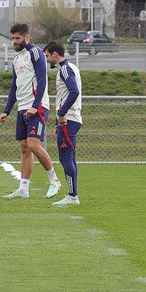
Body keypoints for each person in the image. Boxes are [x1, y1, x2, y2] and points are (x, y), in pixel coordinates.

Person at [0, 23, 61, 199]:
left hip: (37, 107)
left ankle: (54, 181)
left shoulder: (35, 53)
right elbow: (13, 87)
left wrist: (35, 105)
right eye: (12, 38)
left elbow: (42, 80)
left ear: (27, 37)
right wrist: (7, 110)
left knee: (33, 145)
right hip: (22, 108)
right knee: (25, 148)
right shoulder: (16, 59)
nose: (14, 41)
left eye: (17, 38)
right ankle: (23, 189)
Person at [44, 42, 82, 206]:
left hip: (69, 120)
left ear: (54, 54)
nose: (47, 60)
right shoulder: (70, 68)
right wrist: (56, 121)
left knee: (66, 158)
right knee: (70, 158)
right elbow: (64, 96)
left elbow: (74, 91)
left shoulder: (65, 69)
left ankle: (72, 197)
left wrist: (61, 114)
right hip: (68, 120)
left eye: (47, 56)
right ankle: (72, 195)